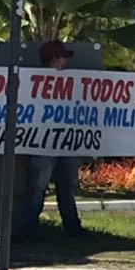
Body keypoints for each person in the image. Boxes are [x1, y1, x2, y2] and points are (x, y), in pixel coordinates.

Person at [23, 41, 84, 237]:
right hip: (42, 143)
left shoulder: (69, 81)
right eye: (63, 57)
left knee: (65, 186)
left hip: (64, 142)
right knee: (38, 187)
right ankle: (30, 228)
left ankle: (72, 227)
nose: (65, 61)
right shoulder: (33, 81)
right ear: (55, 59)